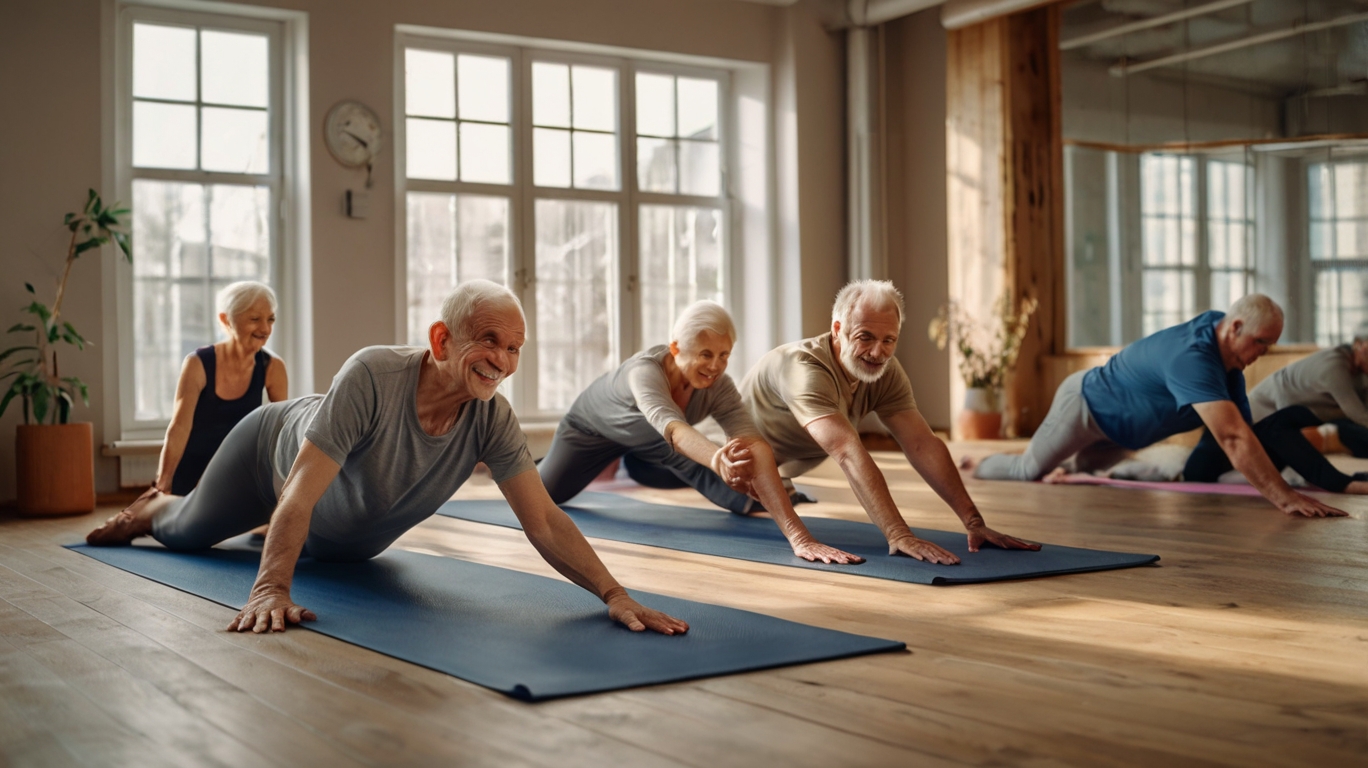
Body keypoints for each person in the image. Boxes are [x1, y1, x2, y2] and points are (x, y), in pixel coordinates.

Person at [87, 281, 689, 636]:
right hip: (265, 454)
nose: (502, 362)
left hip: (340, 534)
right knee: (188, 532)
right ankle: (152, 510)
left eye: (514, 348)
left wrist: (614, 594)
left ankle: (271, 536)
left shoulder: (492, 419)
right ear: (441, 339)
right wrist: (270, 588)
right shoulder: (374, 374)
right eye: (488, 341)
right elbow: (299, 489)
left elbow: (546, 520)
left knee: (335, 553)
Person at [739, 280, 1040, 565]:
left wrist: (973, 521)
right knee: (743, 479)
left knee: (770, 489)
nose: (877, 352)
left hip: (778, 473)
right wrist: (899, 534)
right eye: (865, 337)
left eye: (889, 340)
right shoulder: (804, 371)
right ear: (837, 329)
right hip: (726, 465)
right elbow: (846, 451)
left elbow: (921, 444)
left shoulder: (885, 370)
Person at [539, 300, 863, 565]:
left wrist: (800, 537)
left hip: (648, 448)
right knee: (543, 495)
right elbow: (676, 432)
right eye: (705, 354)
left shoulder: (719, 386)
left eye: (724, 355)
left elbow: (754, 444)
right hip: (588, 433)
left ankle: (630, 464)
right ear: (676, 348)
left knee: (669, 462)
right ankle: (527, 462)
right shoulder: (644, 372)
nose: (715, 366)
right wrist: (718, 460)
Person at [970, 294, 1347, 518]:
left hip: (1122, 436)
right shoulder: (1193, 358)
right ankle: (978, 463)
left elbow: (1247, 436)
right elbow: (1233, 439)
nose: (1263, 352)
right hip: (1084, 408)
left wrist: (1309, 476)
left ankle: (1052, 455)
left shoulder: (1228, 359)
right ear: (1234, 328)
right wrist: (1285, 497)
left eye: (1270, 346)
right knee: (1028, 470)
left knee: (1080, 470)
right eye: (1260, 342)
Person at [1183, 334, 1368, 493]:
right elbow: (1357, 413)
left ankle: (1343, 482)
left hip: (1278, 425)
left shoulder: (1359, 374)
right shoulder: (1334, 365)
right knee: (1195, 474)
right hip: (1248, 419)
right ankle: (1342, 483)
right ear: (1357, 344)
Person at [156, 281, 289, 495]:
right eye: (255, 319)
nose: (265, 329)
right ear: (226, 319)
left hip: (237, 475)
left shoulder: (273, 367)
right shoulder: (197, 363)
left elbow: (281, 432)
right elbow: (179, 427)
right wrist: (163, 483)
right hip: (193, 473)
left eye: (270, 319)